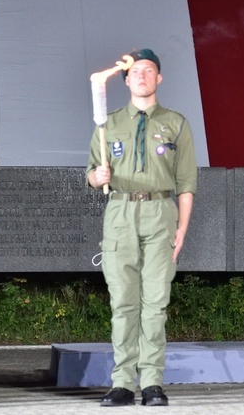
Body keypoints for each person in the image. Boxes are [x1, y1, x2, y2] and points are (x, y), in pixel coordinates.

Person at [86, 48, 197, 407]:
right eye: (136, 71)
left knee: (155, 303)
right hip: (120, 213)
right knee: (123, 303)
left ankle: (151, 382)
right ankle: (121, 383)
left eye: (149, 70)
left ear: (159, 78)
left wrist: (182, 227)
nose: (143, 75)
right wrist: (96, 177)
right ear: (126, 79)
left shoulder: (176, 123)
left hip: (161, 212)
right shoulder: (108, 124)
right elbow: (90, 172)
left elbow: (186, 183)